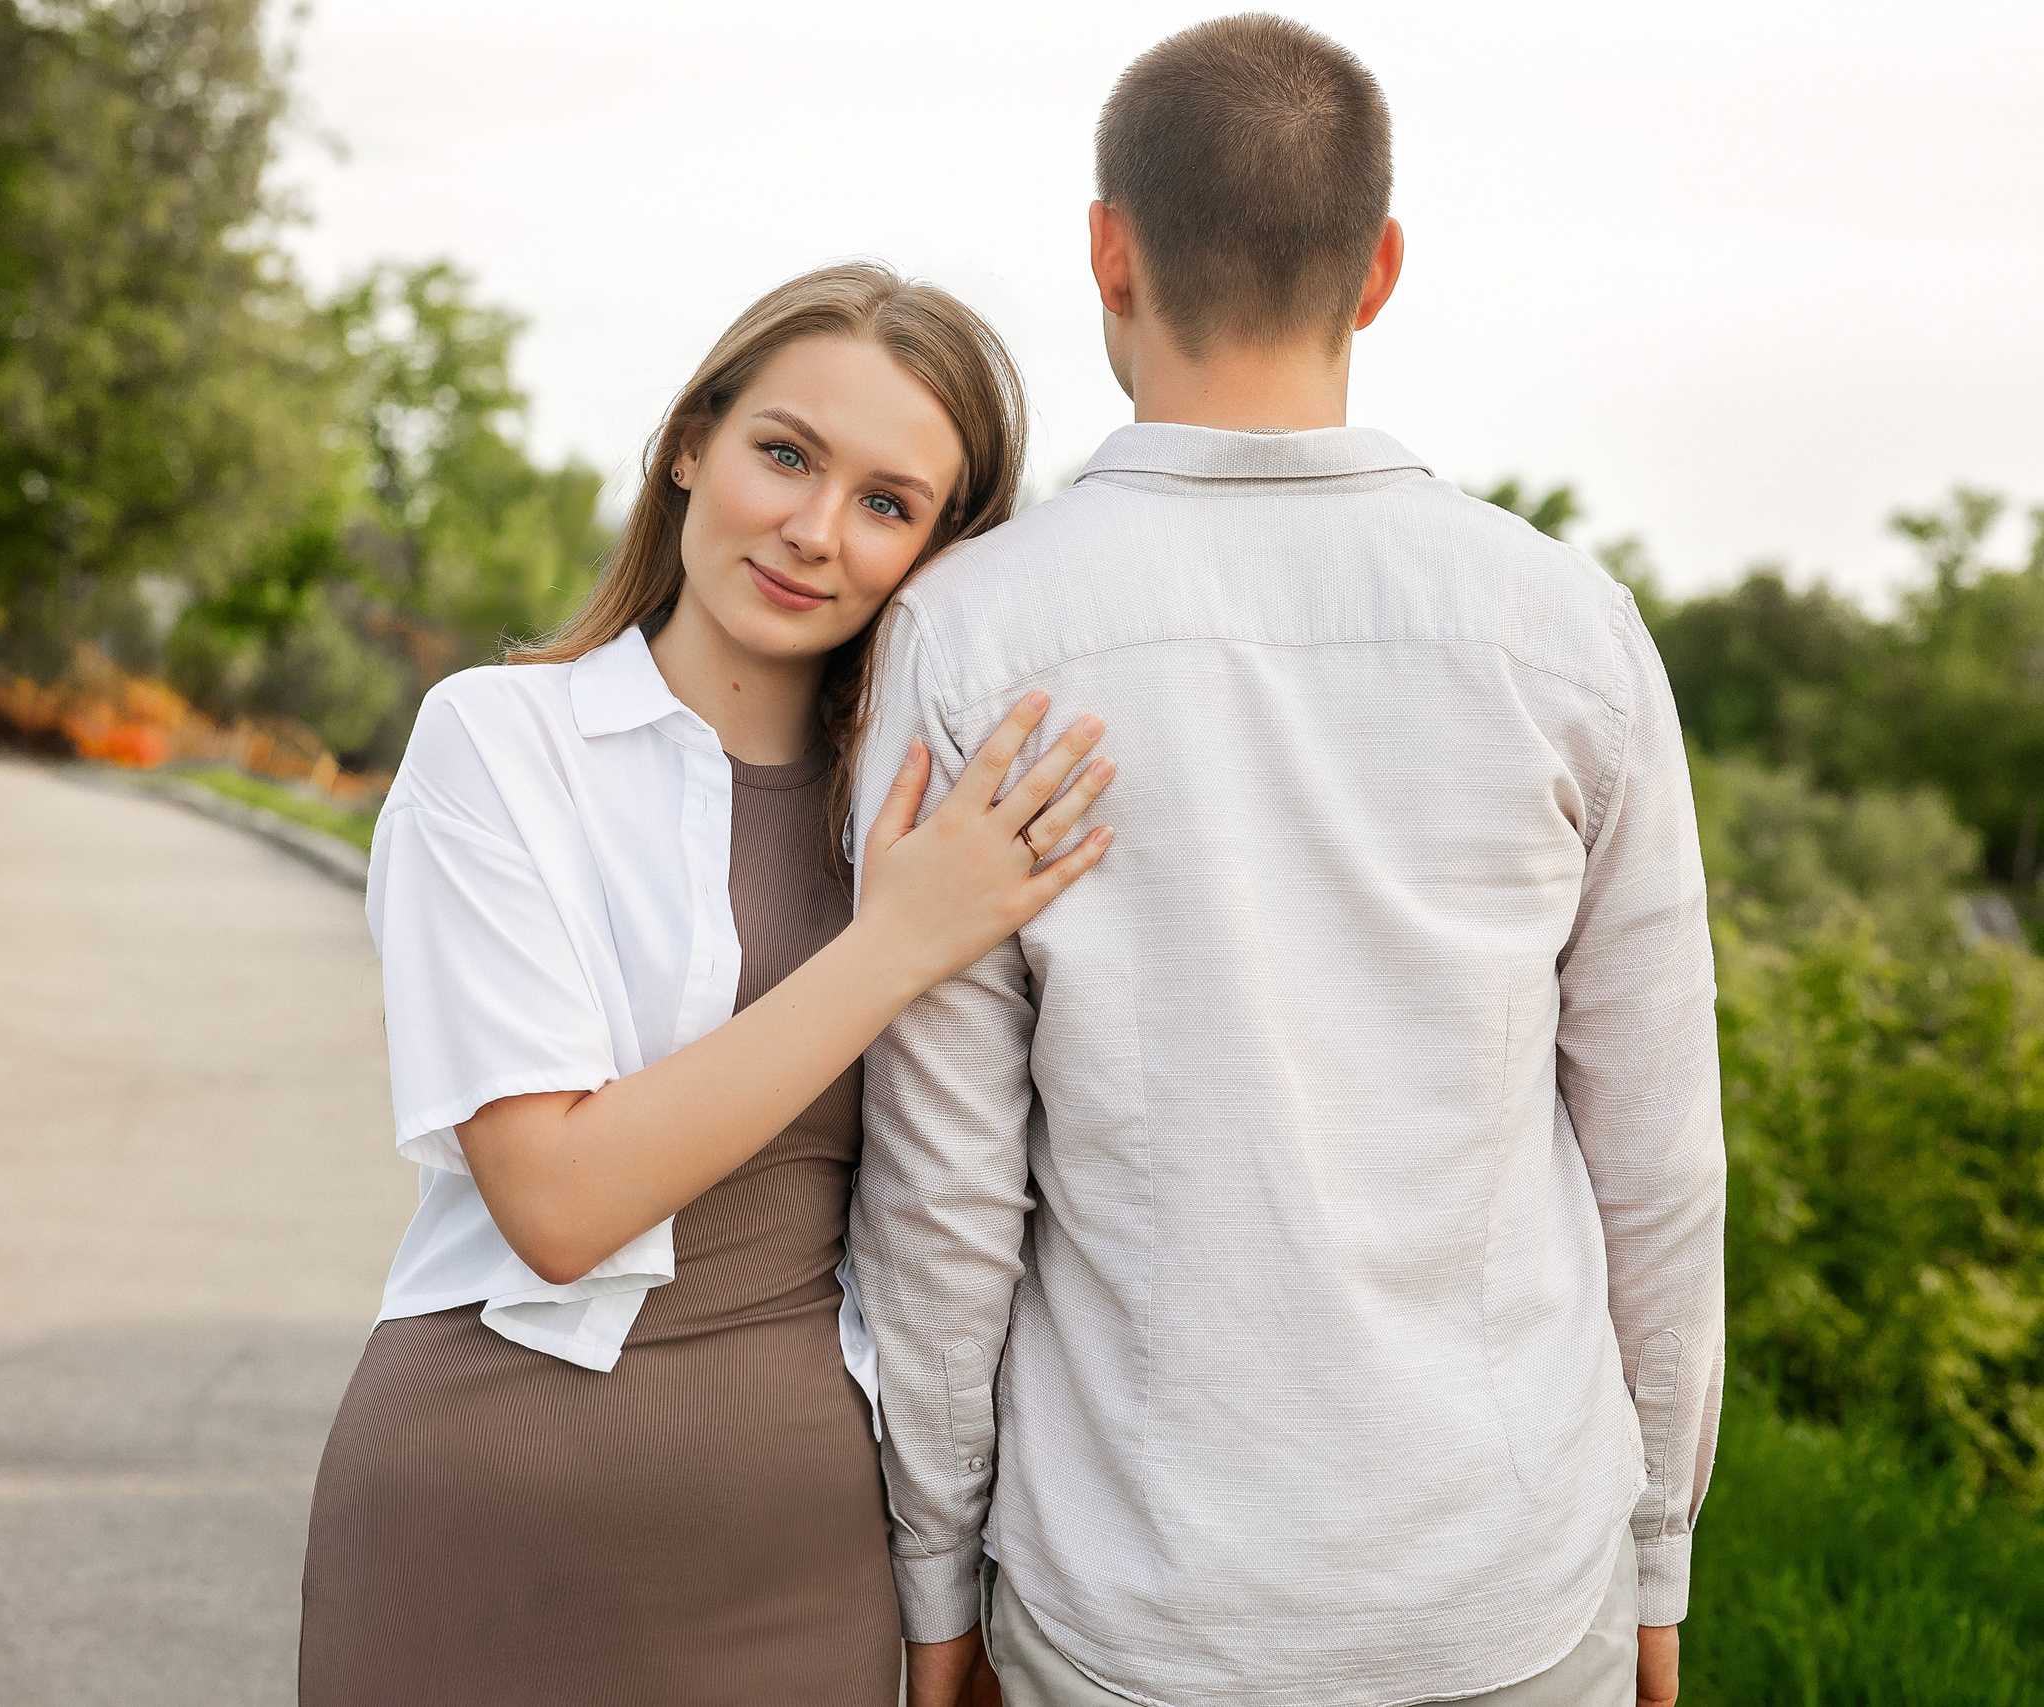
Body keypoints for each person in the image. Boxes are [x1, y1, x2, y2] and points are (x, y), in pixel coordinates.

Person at [850, 17, 1725, 1707]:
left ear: (1109, 251)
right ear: (1379, 267)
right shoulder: (1569, 634)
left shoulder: (968, 639)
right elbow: (1657, 1158)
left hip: (1135, 1611)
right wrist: (1656, 1546)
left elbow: (947, 1201)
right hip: (1509, 1589)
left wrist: (934, 1583)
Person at [296, 263, 1118, 1707]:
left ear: (940, 552)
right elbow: (555, 1201)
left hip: (798, 1555)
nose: (814, 532)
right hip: (473, 1528)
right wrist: (894, 944)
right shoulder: (500, 745)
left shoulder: (931, 831)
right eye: (784, 454)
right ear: (693, 444)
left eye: (888, 502)